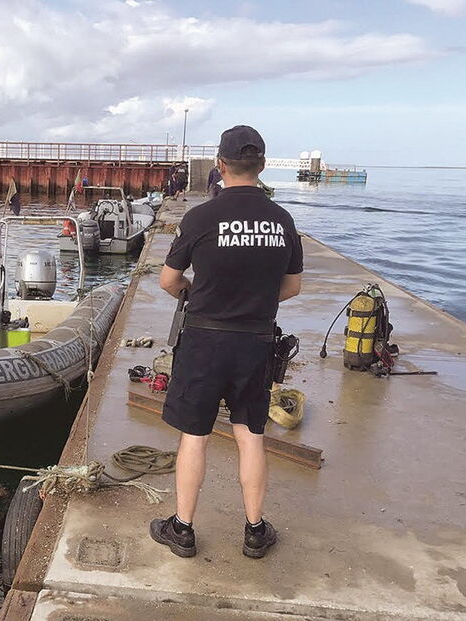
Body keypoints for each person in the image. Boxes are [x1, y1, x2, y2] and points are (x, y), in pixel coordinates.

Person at [149, 125, 303, 560]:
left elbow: (168, 280)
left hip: (203, 340)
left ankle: (182, 530)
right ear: (263, 166)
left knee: (194, 436)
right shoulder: (282, 220)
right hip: (254, 340)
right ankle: (255, 530)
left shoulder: (200, 218)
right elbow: (292, 288)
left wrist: (196, 293)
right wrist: (252, 299)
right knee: (250, 433)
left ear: (220, 165)